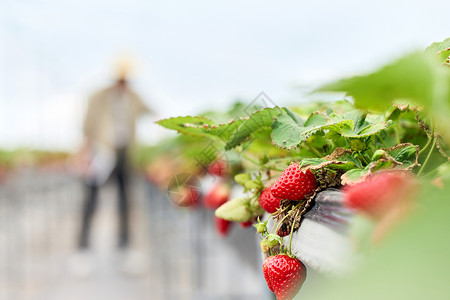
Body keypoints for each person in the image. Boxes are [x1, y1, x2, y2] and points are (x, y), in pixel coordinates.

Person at [78, 62, 151, 251]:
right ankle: (83, 247)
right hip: (100, 152)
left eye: (126, 80)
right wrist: (86, 154)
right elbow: (87, 126)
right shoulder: (98, 97)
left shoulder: (133, 97)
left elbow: (151, 110)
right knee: (91, 200)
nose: (123, 83)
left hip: (124, 152)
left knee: (125, 200)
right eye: (120, 80)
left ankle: (124, 245)